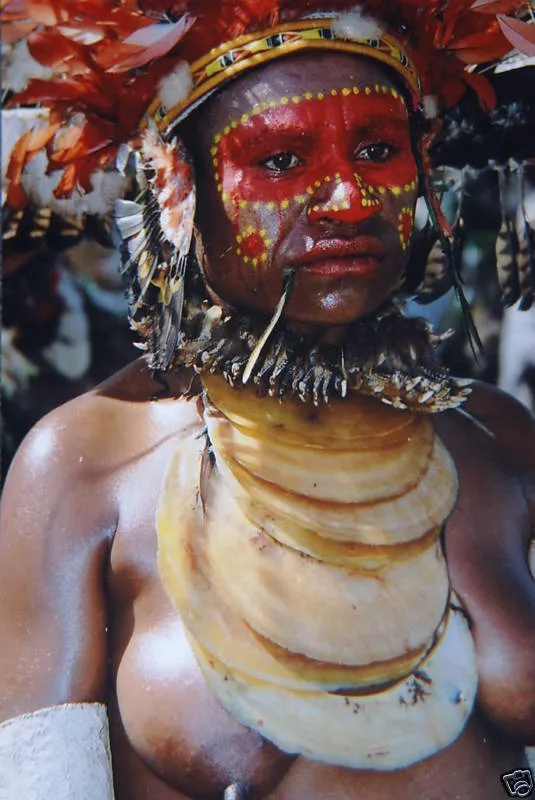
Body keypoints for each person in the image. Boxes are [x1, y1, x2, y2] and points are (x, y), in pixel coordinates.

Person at [1, 2, 535, 799]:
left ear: (422, 165)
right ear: (175, 186)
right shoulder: (84, 468)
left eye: (379, 150)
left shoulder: (494, 436)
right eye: (281, 161)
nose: (348, 200)